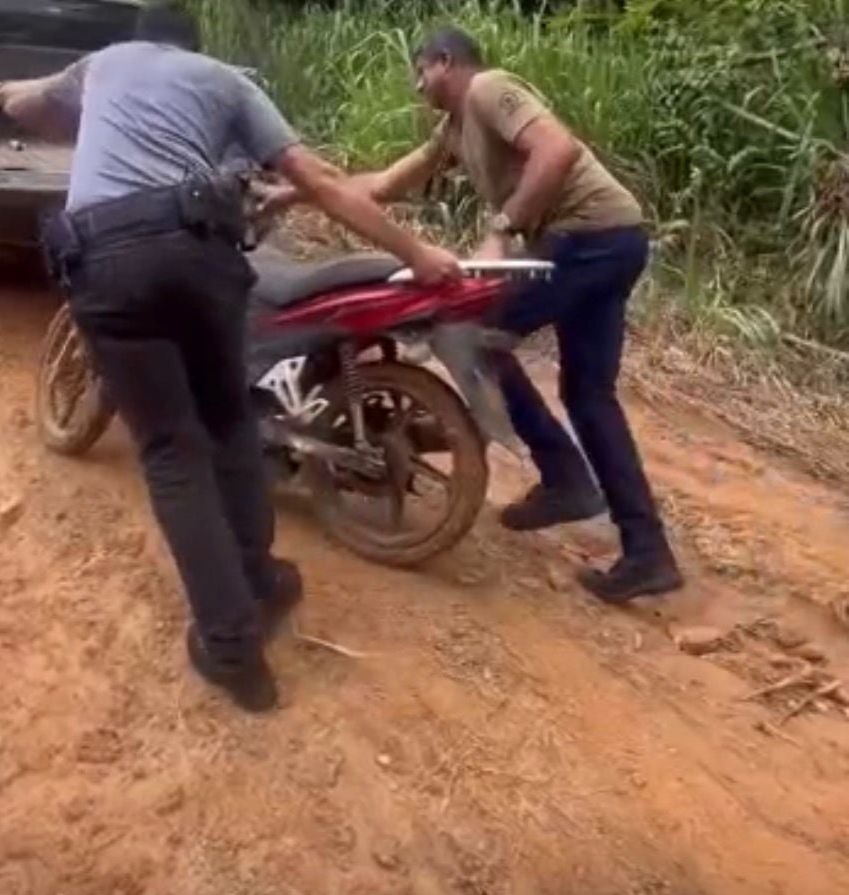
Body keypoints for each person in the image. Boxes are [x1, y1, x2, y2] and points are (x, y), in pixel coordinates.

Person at [41, 2, 462, 712]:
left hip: (107, 260)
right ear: (195, 47)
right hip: (203, 258)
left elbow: (30, 105)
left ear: (140, 41)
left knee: (173, 452)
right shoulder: (228, 83)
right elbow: (323, 181)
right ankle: (261, 580)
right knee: (230, 423)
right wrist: (419, 254)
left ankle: (232, 648)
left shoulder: (103, 66)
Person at [265, 27, 682, 604]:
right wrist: (293, 194)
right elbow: (383, 185)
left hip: (587, 240)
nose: (416, 85)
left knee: (473, 335)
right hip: (614, 240)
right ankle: (648, 552)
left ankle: (566, 478)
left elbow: (556, 150)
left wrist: (501, 229)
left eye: (421, 71)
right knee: (589, 395)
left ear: (445, 61)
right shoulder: (453, 131)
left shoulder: (488, 89)